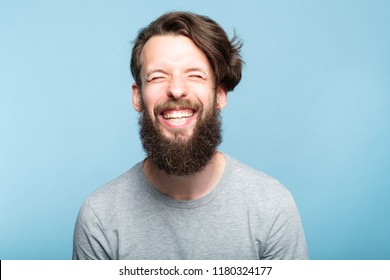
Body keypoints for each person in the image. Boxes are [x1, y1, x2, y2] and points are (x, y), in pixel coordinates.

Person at [72, 11, 308, 260]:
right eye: (157, 77)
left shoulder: (272, 207)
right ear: (137, 96)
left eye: (195, 75)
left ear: (219, 95)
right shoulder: (100, 217)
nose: (176, 89)